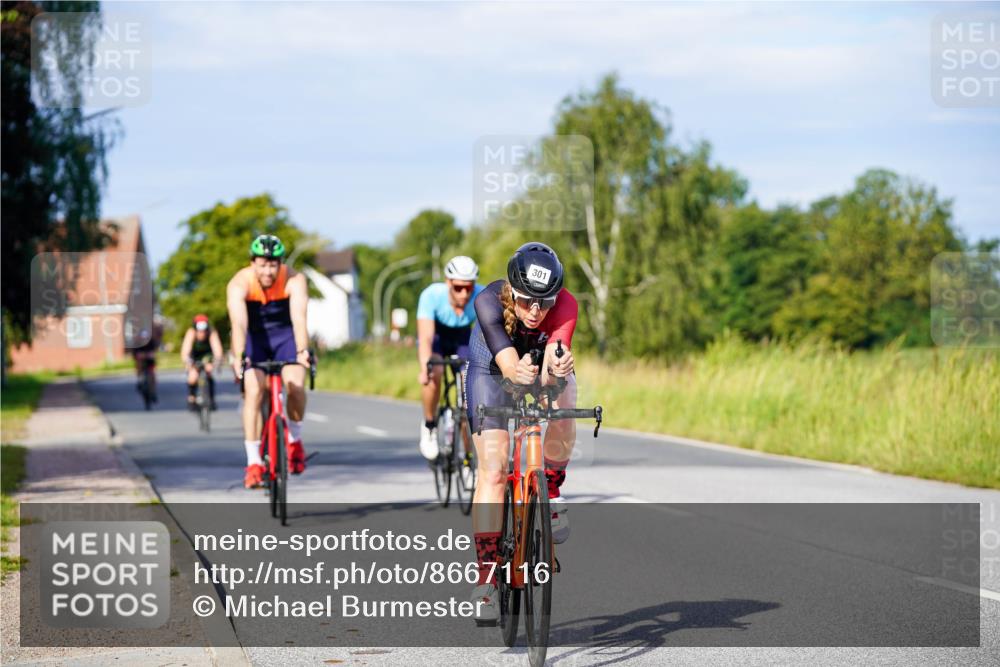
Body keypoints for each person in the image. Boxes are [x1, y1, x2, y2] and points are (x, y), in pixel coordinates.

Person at [463, 242, 579, 623]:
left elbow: (551, 366)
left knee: (568, 391)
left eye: (545, 302)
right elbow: (510, 366)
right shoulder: (487, 302)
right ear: (512, 291)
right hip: (492, 366)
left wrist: (555, 372)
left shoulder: (565, 306)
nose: (536, 311)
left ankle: (552, 483)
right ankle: (486, 578)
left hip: (538, 360)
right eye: (528, 300)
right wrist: (522, 374)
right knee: (494, 469)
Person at [226, 234, 311, 488]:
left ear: (280, 264)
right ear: (253, 263)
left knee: (295, 386)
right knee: (254, 390)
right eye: (263, 264)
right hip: (255, 338)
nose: (268, 270)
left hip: (285, 336)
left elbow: (299, 317)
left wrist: (303, 350)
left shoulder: (294, 279)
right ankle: (254, 463)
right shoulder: (239, 283)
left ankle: (294, 442)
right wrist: (240, 355)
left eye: (273, 264)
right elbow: (239, 323)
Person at [415, 255, 484, 461]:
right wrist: (424, 367)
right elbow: (425, 338)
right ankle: (429, 425)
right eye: (458, 288)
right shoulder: (431, 295)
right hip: (437, 336)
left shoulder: (481, 296)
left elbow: (485, 336)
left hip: (462, 337)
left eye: (468, 288)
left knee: (468, 392)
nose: (464, 294)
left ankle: (467, 458)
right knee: (434, 371)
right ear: (448, 283)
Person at [180, 314, 224, 411]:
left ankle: (211, 399)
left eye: (204, 331)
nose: (202, 334)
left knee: (208, 371)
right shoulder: (191, 333)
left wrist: (217, 361)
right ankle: (192, 397)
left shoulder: (212, 333)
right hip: (194, 356)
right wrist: (187, 361)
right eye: (199, 331)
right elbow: (185, 351)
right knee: (192, 377)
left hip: (207, 356)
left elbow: (217, 350)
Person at [131, 316, 164, 403]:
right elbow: (134, 351)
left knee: (152, 373)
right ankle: (139, 380)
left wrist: (152, 354)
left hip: (149, 358)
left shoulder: (151, 340)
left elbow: (154, 349)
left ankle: (153, 391)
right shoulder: (137, 341)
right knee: (138, 365)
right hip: (141, 358)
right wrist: (137, 355)